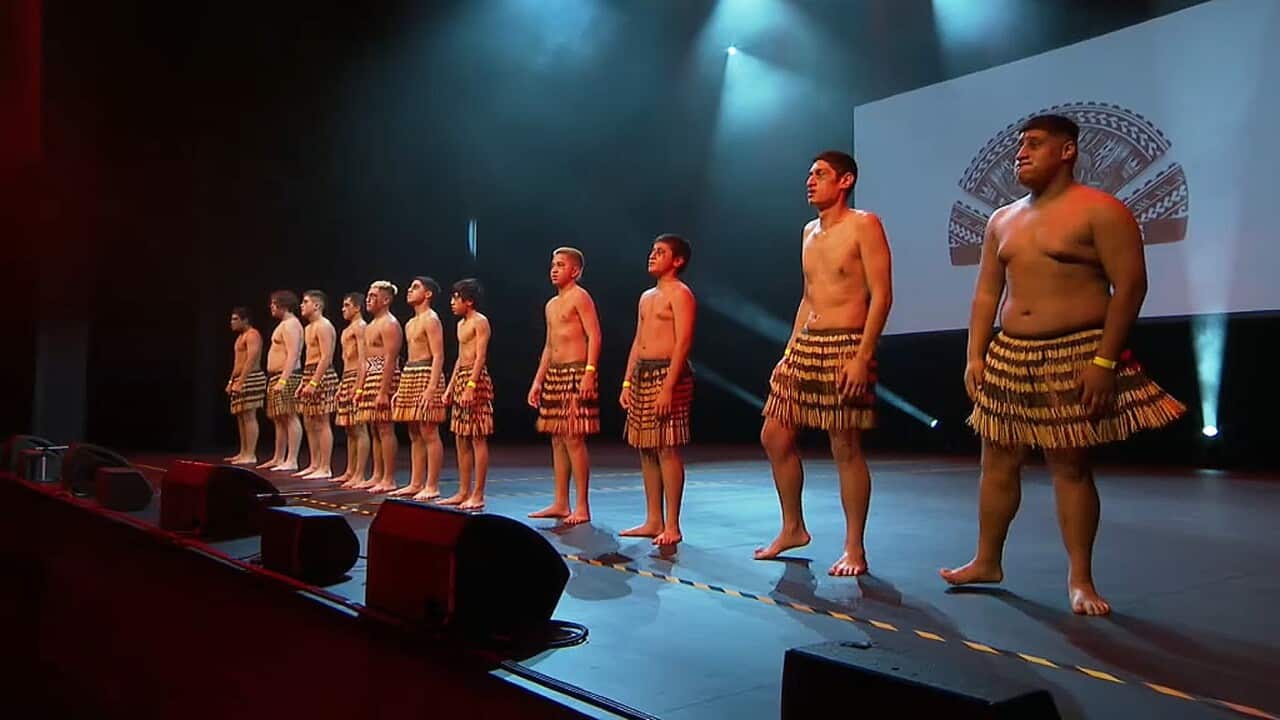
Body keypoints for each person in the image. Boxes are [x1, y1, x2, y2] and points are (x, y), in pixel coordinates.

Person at [940, 115, 1185, 615]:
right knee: (997, 462)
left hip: (1076, 349)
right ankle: (987, 560)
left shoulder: (1102, 210)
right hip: (1010, 353)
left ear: (1067, 150)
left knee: (1069, 466)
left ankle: (1080, 579)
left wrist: (1103, 360)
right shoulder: (1001, 219)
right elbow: (987, 291)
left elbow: (1130, 288)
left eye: (1033, 145)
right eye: (1018, 147)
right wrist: (974, 352)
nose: (1020, 155)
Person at [755, 150, 894, 578]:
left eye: (820, 174)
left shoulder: (864, 224)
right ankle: (793, 528)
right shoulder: (808, 232)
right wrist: (788, 351)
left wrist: (862, 355)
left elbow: (881, 294)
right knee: (774, 434)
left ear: (845, 180)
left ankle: (855, 548)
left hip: (846, 344)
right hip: (807, 344)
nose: (810, 181)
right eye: (809, 175)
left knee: (845, 445)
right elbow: (808, 296)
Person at [619, 235, 696, 547]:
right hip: (643, 374)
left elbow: (683, 341)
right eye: (652, 250)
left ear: (677, 261)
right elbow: (638, 341)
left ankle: (672, 524)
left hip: (668, 374)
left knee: (666, 447)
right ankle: (653, 519)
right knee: (646, 447)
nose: (652, 256)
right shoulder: (646, 296)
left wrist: (668, 386)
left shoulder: (680, 293)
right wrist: (627, 381)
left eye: (660, 252)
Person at [527, 248, 602, 525]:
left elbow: (594, 335)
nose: (554, 269)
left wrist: (589, 372)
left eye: (561, 265)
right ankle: (561, 501)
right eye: (553, 264)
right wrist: (538, 380)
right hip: (555, 375)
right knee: (557, 438)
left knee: (573, 437)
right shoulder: (551, 305)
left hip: (575, 371)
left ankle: (581, 505)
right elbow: (548, 346)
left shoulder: (580, 297)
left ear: (576, 271)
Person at [390, 276, 448, 501]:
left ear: (428, 294)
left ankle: (432, 485)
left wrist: (432, 387)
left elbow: (438, 355)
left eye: (415, 287)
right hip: (410, 372)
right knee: (414, 432)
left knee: (428, 431)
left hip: (426, 374)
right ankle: (416, 482)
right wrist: (401, 387)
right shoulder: (410, 323)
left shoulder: (431, 319)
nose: (409, 290)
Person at [440, 279, 492, 511]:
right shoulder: (461, 325)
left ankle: (478, 493)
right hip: (461, 378)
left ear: (468, 301)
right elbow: (461, 357)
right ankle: (463, 491)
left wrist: (471, 384)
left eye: (456, 298)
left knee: (477, 437)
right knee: (461, 437)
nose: (452, 302)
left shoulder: (480, 322)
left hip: (476, 380)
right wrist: (451, 387)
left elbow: (480, 357)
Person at [353, 280, 403, 493]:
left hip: (385, 376)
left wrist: (384, 391)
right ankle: (377, 474)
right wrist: (359, 388)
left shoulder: (390, 323)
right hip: (370, 377)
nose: (369, 299)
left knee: (385, 428)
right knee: (374, 428)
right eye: (368, 295)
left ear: (386, 300)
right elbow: (364, 361)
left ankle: (389, 478)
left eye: (374, 296)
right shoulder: (370, 325)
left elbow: (391, 358)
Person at [294, 290, 340, 479]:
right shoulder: (308, 328)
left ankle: (325, 466)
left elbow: (326, 356)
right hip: (309, 373)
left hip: (322, 375)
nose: (302, 305)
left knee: (321, 420)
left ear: (317, 305)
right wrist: (304, 381)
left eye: (305, 302)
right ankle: (314, 464)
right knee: (309, 420)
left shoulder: (323, 325)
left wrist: (314, 382)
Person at [260, 290, 305, 472]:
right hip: (276, 377)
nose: (271, 306)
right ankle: (278, 457)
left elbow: (293, 353)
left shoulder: (291, 325)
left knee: (290, 416)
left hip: (287, 376)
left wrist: (284, 380)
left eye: (274, 303)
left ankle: (291, 459)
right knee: (279, 419)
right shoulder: (284, 324)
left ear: (283, 304)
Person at [334, 293, 371, 487]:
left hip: (358, 377)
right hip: (347, 377)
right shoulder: (347, 330)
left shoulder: (361, 327)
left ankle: (360, 473)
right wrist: (343, 384)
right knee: (349, 428)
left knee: (359, 427)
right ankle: (350, 470)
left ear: (357, 308)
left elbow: (364, 359)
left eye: (347, 305)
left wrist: (359, 386)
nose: (343, 309)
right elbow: (345, 360)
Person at [224, 306, 266, 465]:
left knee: (249, 416)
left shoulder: (252, 335)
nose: (232, 322)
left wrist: (241, 381)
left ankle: (250, 453)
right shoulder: (240, 337)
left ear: (245, 320)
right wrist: (231, 381)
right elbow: (237, 362)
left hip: (251, 377)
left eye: (235, 319)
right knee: (241, 416)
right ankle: (243, 452)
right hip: (239, 378)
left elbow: (251, 359)